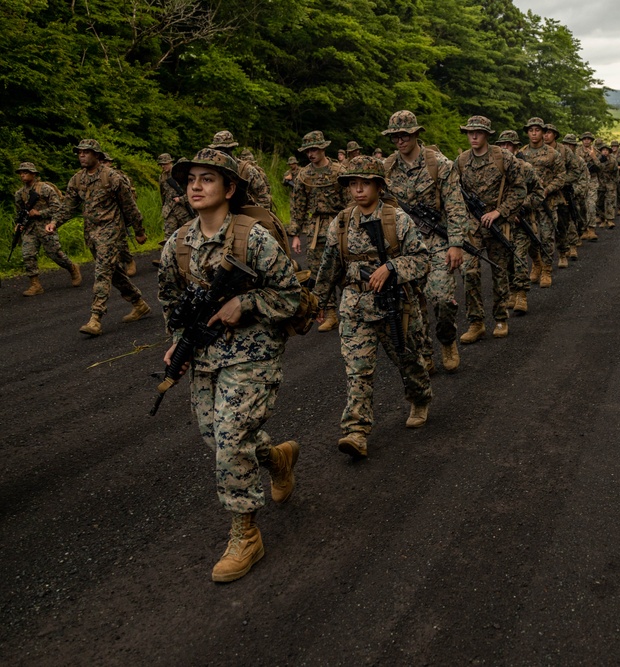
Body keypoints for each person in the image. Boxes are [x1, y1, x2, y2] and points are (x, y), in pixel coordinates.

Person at [157, 148, 301, 583]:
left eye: (207, 179)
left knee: (231, 433)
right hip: (205, 353)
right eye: (190, 180)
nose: (196, 186)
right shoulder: (178, 243)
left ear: (230, 188)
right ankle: (276, 459)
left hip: (253, 350)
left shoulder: (253, 238)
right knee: (215, 435)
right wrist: (177, 344)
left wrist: (247, 301)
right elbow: (170, 303)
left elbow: (292, 296)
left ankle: (245, 534)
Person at [311, 156, 432, 460]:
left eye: (364, 183)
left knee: (409, 361)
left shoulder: (397, 219)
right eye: (353, 183)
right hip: (354, 305)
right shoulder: (340, 222)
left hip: (395, 304)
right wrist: (319, 302)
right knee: (357, 372)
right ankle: (356, 431)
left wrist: (391, 267)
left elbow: (422, 259)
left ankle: (420, 397)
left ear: (379, 185)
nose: (358, 189)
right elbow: (329, 267)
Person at [381, 110, 467, 372]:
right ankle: (424, 352)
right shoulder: (386, 169)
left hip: (437, 241)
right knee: (412, 305)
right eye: (395, 136)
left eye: (404, 134)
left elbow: (454, 206)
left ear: (416, 133)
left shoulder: (440, 165)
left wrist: (456, 243)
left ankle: (447, 339)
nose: (400, 140)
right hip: (404, 247)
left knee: (441, 298)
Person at [47, 139, 150, 336]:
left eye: (86, 152)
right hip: (91, 234)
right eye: (79, 152)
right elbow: (68, 206)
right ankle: (139, 303)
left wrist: (139, 231)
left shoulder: (112, 178)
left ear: (97, 155)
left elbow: (130, 207)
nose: (81, 155)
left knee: (102, 272)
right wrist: (54, 222)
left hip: (111, 231)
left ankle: (96, 318)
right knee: (114, 271)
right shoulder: (77, 179)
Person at [455, 115, 526, 343]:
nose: (473, 136)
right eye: (470, 132)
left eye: (478, 132)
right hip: (472, 226)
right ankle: (476, 322)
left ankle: (500, 318)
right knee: (469, 273)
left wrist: (500, 212)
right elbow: (453, 194)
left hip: (497, 224)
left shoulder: (503, 157)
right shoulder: (461, 161)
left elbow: (519, 189)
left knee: (499, 272)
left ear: (487, 134)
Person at [288, 130, 346, 333]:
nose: (311, 154)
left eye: (314, 149)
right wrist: (295, 234)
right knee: (320, 272)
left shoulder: (339, 171)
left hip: (339, 225)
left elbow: (350, 202)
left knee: (346, 268)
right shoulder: (304, 175)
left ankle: (350, 309)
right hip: (315, 230)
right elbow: (298, 206)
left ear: (323, 148)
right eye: (307, 151)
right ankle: (330, 314)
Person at [14, 162, 81, 296]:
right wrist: (18, 224)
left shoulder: (45, 189)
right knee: (28, 254)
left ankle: (72, 268)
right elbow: (20, 212)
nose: (22, 175)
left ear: (34, 174)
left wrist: (40, 213)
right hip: (30, 229)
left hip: (45, 226)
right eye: (21, 172)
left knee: (55, 254)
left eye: (26, 172)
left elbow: (57, 208)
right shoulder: (19, 193)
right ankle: (35, 285)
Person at [496, 130, 544, 314]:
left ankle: (522, 294)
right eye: (501, 145)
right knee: (506, 259)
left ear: (516, 147)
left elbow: (539, 192)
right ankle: (512, 291)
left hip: (521, 221)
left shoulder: (525, 168)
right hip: (502, 222)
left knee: (518, 257)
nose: (504, 148)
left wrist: (522, 207)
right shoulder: (495, 168)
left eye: (508, 145)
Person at [517, 117, 565, 290]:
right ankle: (536, 262)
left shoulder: (553, 154)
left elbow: (561, 177)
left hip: (547, 203)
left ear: (544, 133)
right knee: (529, 237)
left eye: (537, 130)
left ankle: (546, 269)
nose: (534, 133)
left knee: (546, 237)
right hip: (528, 204)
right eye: (531, 130)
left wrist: (547, 189)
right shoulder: (521, 154)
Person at [543, 124, 583, 267]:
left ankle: (562, 253)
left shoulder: (564, 151)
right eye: (544, 132)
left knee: (561, 224)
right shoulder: (535, 151)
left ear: (555, 135)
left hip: (561, 195)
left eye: (549, 133)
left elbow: (576, 171)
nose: (545, 135)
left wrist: (560, 182)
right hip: (541, 195)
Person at [208, 131, 272, 209]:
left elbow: (263, 195)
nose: (220, 153)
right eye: (217, 150)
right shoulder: (212, 169)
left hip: (243, 216)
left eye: (223, 149)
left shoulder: (246, 169)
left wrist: (257, 215)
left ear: (231, 149)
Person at [157, 153, 193, 243]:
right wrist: (164, 206)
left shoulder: (180, 174)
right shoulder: (162, 177)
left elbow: (191, 192)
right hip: (169, 210)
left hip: (183, 211)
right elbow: (162, 194)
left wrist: (181, 199)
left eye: (164, 164)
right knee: (168, 238)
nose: (163, 166)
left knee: (188, 234)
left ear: (170, 162)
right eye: (161, 164)